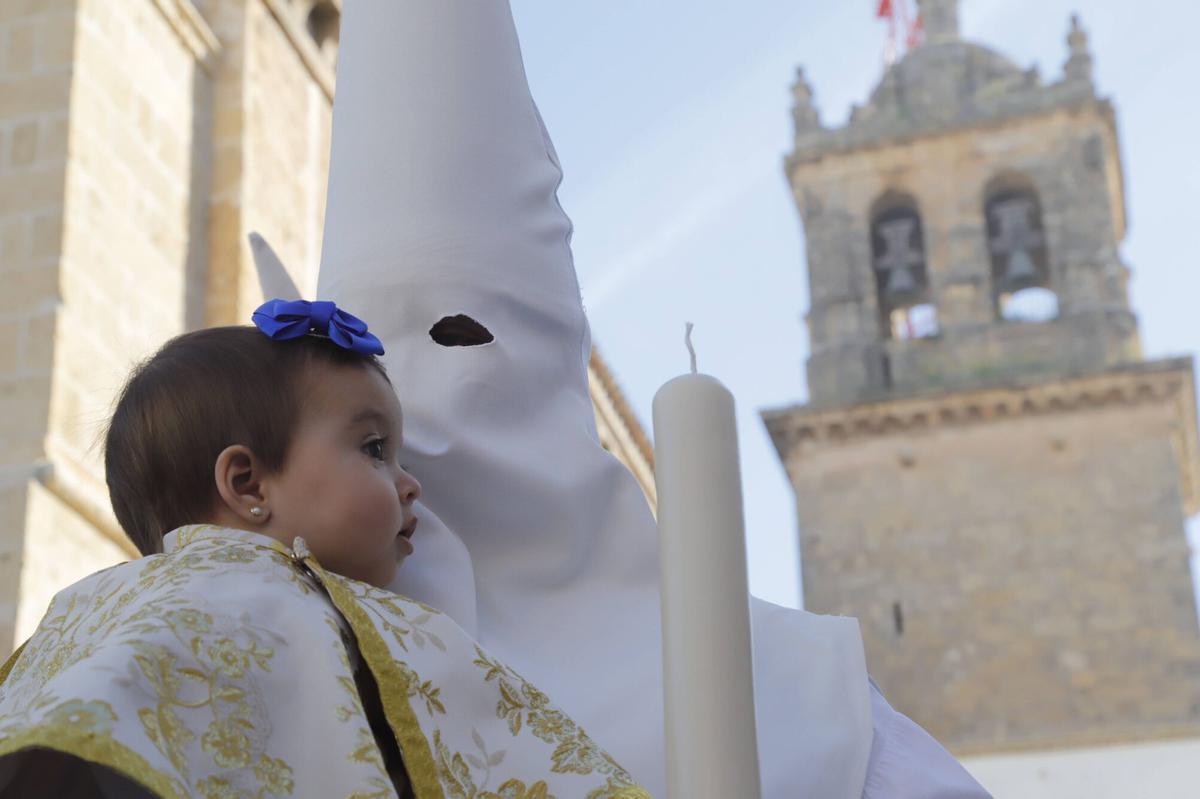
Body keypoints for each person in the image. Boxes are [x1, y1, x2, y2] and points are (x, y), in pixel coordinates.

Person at [310, 1, 992, 797]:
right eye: (371, 419)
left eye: (457, 338)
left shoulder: (797, 701)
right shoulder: (257, 647)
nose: (419, 426)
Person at [0, 302, 651, 798]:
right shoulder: (187, 609)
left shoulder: (103, 606)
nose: (411, 481)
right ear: (249, 484)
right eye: (373, 449)